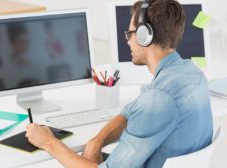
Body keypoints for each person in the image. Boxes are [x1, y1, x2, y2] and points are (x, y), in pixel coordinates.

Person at [25, 0, 213, 167]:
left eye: (130, 33)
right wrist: (97, 141)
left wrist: (48, 142)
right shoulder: (191, 73)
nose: (128, 40)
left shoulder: (158, 98)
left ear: (144, 35)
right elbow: (130, 111)